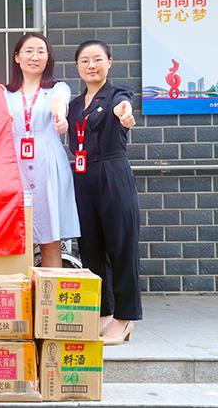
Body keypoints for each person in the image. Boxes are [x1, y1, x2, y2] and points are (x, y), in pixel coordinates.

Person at [67, 40, 141, 346]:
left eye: (98, 59)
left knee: (121, 246)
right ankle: (104, 311)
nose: (91, 65)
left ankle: (124, 319)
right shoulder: (73, 104)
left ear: (109, 62)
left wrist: (125, 113)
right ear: (77, 68)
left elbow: (124, 107)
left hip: (112, 172)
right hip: (82, 177)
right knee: (91, 248)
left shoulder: (117, 94)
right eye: (84, 60)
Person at [3, 33, 80, 267]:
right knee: (16, 239)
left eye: (41, 51)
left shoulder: (58, 88)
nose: (34, 57)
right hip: (14, 165)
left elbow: (60, 103)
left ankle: (49, 301)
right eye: (28, 51)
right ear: (17, 57)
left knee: (50, 239)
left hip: (48, 164)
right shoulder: (3, 93)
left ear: (48, 58)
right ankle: (22, 299)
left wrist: (59, 117)